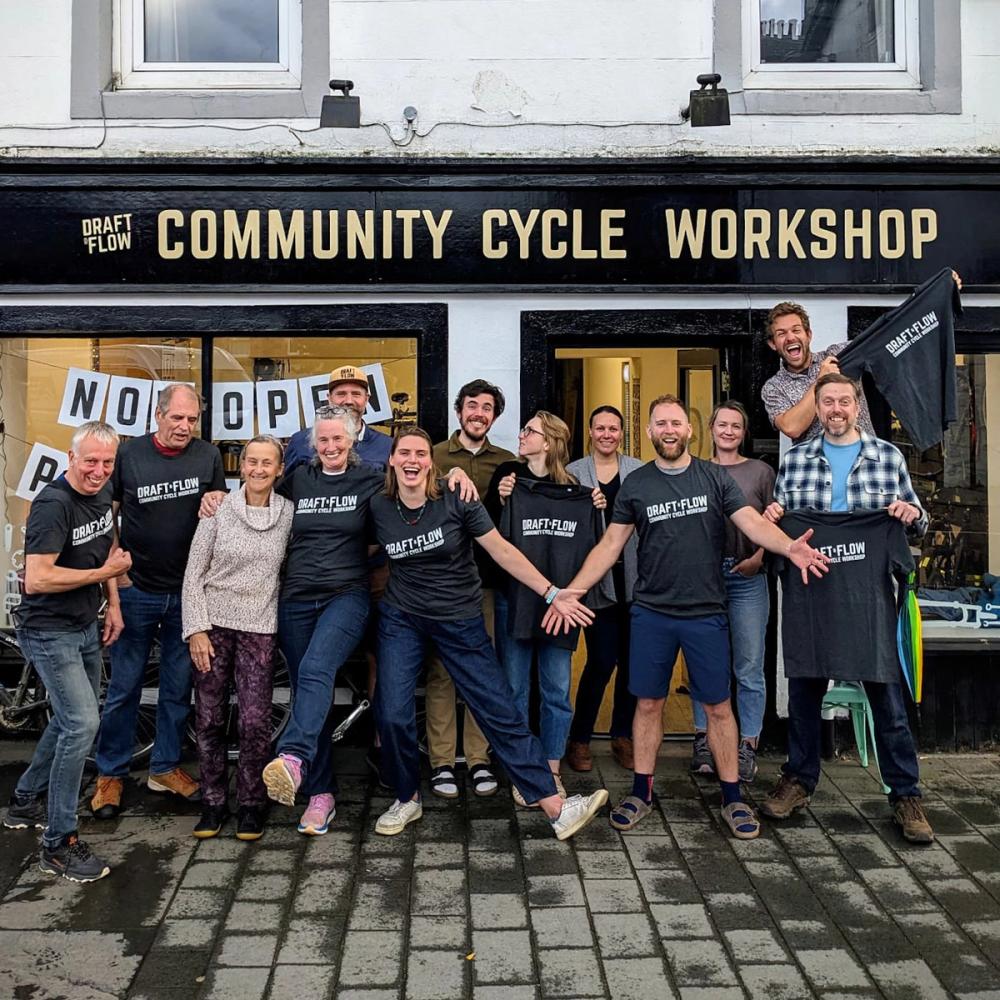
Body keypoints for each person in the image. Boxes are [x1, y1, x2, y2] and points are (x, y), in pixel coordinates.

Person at [543, 395, 828, 840]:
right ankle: (641, 791)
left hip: (705, 612)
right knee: (649, 703)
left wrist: (788, 547)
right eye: (661, 424)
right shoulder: (637, 485)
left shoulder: (714, 478)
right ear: (651, 432)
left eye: (676, 422)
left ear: (690, 430)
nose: (669, 430)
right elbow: (610, 546)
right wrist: (570, 590)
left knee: (717, 706)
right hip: (652, 612)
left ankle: (732, 797)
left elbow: (751, 523)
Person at [369, 429, 609, 840]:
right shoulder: (378, 505)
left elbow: (501, 550)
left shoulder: (456, 497)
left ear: (432, 462)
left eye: (421, 454)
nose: (412, 460)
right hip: (402, 617)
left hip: (459, 617)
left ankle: (554, 805)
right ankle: (406, 798)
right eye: (404, 453)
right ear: (391, 460)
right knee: (391, 710)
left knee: (497, 707)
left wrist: (552, 593)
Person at [760, 372, 934, 843]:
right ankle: (799, 779)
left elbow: (917, 525)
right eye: (828, 402)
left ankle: (906, 795)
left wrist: (910, 515)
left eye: (844, 401)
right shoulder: (793, 463)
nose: (836, 409)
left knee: (887, 700)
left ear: (857, 407)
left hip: (869, 598)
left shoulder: (888, 457)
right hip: (811, 598)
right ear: (817, 410)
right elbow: (775, 536)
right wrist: (775, 517)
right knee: (803, 696)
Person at [91, 384, 226, 820]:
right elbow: (104, 518)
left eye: (192, 420)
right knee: (124, 686)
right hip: (137, 591)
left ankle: (164, 767)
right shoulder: (129, 456)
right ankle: (110, 773)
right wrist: (116, 580)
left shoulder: (208, 456)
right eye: (177, 418)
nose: (184, 427)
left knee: (177, 687)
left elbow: (221, 510)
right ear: (158, 415)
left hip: (188, 593)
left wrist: (217, 499)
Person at [4, 421, 132, 882]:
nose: (98, 471)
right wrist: (104, 578)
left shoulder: (100, 492)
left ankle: (24, 801)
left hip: (84, 624)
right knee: (82, 724)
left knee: (67, 718)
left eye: (106, 462)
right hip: (48, 630)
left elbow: (107, 547)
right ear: (71, 458)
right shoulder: (53, 504)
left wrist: (112, 601)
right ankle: (58, 844)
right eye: (90, 461)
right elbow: (37, 579)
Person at [260, 406, 384, 835]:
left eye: (338, 439)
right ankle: (321, 795)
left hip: (346, 595)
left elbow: (403, 512)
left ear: (352, 441)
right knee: (308, 689)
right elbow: (261, 506)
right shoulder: (299, 479)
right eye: (323, 440)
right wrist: (218, 496)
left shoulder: (370, 478)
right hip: (296, 598)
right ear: (314, 444)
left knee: (315, 670)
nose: (331, 447)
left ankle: (293, 758)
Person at [488, 411, 607, 805]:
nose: (521, 436)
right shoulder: (510, 481)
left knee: (556, 690)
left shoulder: (578, 490)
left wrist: (597, 507)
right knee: (515, 688)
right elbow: (491, 539)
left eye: (529, 431)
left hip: (563, 605)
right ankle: (524, 771)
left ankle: (551, 771)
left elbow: (595, 548)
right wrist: (501, 498)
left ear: (550, 441)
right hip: (516, 600)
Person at [182, 435, 293, 841]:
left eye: (268, 463)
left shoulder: (289, 513)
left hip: (259, 627)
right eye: (252, 462)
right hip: (212, 626)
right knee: (209, 718)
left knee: (253, 720)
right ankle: (212, 801)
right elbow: (194, 572)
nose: (259, 470)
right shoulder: (218, 509)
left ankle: (251, 803)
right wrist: (195, 628)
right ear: (240, 466)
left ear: (280, 469)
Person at [427, 378, 515, 799]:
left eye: (487, 408)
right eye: (472, 406)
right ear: (459, 410)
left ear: (494, 416)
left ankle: (479, 759)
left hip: (487, 583)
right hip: (441, 583)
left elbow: (516, 523)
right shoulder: (435, 456)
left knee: (482, 671)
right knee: (442, 672)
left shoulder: (509, 462)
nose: (479, 413)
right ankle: (442, 762)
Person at [689, 401, 775, 783]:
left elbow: (774, 520)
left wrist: (759, 556)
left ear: (744, 432)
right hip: (704, 579)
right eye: (721, 424)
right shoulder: (694, 471)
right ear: (710, 428)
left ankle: (747, 745)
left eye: (735, 426)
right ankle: (704, 740)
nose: (728, 431)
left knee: (749, 666)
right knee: (704, 664)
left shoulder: (760, 471)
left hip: (747, 577)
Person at [565, 405, 642, 773]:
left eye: (614, 428)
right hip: (597, 585)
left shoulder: (640, 471)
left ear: (621, 433)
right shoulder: (572, 473)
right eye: (601, 428)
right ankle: (579, 738)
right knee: (600, 662)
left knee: (632, 663)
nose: (607, 434)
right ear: (591, 432)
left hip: (636, 582)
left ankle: (622, 735)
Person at [761, 301, 875, 445]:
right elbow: (792, 428)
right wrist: (821, 380)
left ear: (808, 335)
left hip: (866, 460)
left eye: (796, 330)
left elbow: (879, 340)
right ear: (773, 343)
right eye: (781, 333)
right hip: (816, 465)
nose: (790, 337)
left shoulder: (836, 355)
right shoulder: (774, 387)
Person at [283, 364, 392, 474]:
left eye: (356, 394)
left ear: (366, 399)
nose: (349, 401)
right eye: (341, 394)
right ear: (329, 398)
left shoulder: (386, 446)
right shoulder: (300, 442)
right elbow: (287, 488)